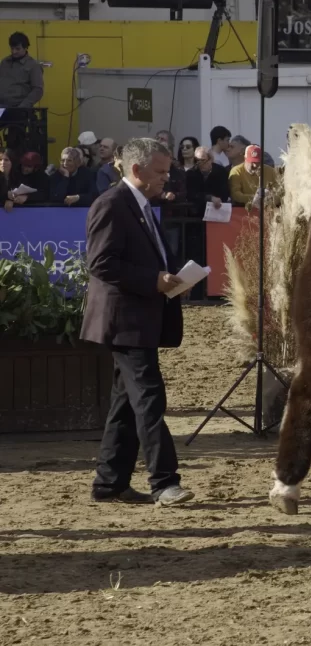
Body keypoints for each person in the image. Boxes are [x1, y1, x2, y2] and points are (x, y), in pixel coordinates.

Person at [82, 137, 195, 507]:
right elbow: (100, 263)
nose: (167, 178)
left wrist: (175, 278)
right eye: (161, 172)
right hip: (124, 320)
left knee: (126, 403)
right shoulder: (112, 204)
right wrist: (153, 281)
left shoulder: (142, 205)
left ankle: (109, 483)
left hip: (140, 317)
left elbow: (151, 257)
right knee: (149, 397)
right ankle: (164, 481)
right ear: (136, 170)